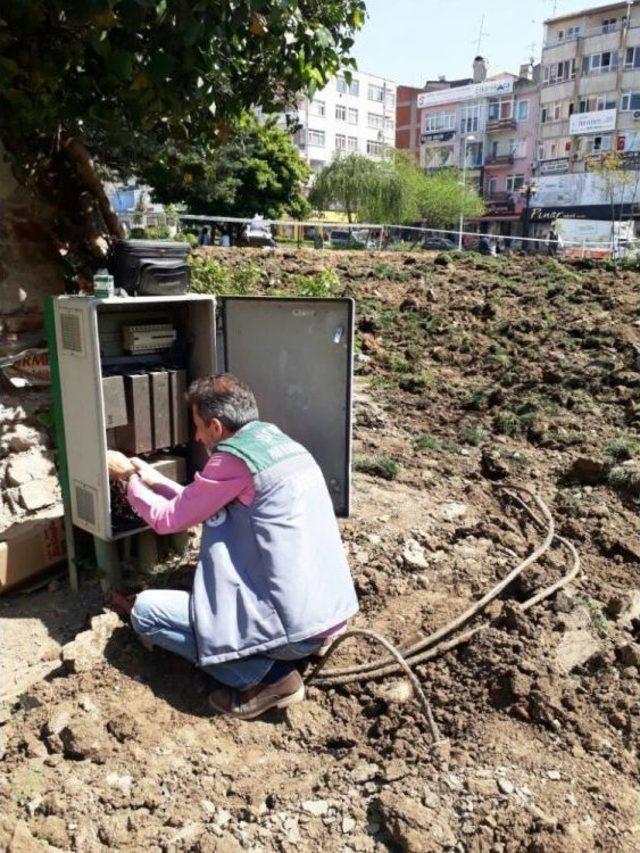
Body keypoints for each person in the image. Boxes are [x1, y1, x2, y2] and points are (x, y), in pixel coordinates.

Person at [107, 374, 358, 720]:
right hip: (327, 614)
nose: (196, 437)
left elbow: (169, 520)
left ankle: (269, 680)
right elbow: (199, 502)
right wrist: (153, 478)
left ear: (215, 426)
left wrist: (128, 480)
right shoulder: (275, 442)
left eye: (197, 427)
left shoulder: (232, 459)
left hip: (295, 630)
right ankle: (283, 652)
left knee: (147, 612)